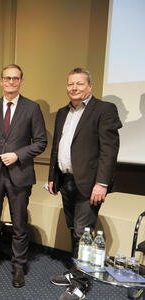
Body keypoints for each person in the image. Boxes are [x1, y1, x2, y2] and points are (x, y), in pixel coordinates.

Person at [0, 64, 47, 288]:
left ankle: (18, 267)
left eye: (16, 79)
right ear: (1, 81)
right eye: (7, 78)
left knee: (19, 224)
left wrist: (18, 154)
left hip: (19, 175)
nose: (11, 82)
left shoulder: (32, 108)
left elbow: (41, 142)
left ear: (21, 82)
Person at [48, 68, 121, 287]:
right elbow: (57, 147)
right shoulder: (63, 112)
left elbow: (109, 149)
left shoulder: (104, 109)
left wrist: (102, 183)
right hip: (66, 180)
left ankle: (81, 282)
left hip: (90, 184)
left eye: (79, 84)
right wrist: (53, 176)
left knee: (83, 231)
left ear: (90, 86)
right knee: (74, 230)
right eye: (70, 84)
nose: (74, 88)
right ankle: (76, 271)